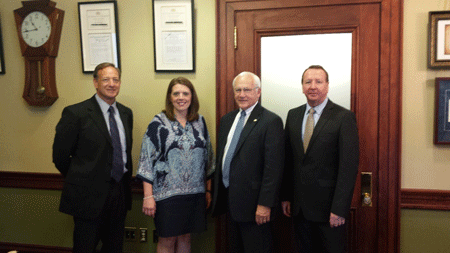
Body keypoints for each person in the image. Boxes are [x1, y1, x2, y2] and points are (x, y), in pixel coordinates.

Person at [52, 62, 133, 253]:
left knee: (114, 247)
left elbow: (124, 152)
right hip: (88, 197)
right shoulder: (76, 113)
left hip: (119, 193)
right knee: (85, 247)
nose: (111, 84)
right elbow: (60, 157)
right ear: (95, 82)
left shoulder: (125, 113)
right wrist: (83, 178)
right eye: (106, 79)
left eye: (115, 79)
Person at [281, 65, 359, 253]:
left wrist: (340, 208)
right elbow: (288, 161)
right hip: (299, 210)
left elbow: (348, 167)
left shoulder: (343, 117)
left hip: (329, 212)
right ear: (302, 87)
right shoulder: (293, 115)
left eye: (318, 81)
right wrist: (285, 196)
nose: (313, 86)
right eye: (308, 82)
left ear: (327, 85)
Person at [136, 77, 214, 253]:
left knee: (186, 237)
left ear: (192, 97)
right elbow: (146, 160)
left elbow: (208, 158)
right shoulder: (158, 123)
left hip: (195, 194)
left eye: (185, 93)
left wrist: (208, 190)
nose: (181, 97)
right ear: (170, 97)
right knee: (168, 239)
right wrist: (148, 197)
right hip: (166, 196)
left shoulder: (200, 122)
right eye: (176, 93)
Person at [211, 71, 284, 253]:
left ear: (258, 92)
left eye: (247, 90)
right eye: (238, 90)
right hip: (230, 202)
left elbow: (273, 168)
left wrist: (265, 204)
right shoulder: (228, 120)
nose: (241, 94)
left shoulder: (270, 121)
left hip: (255, 207)